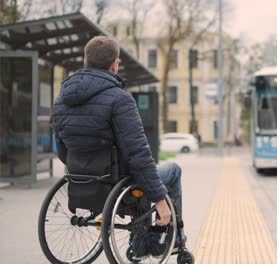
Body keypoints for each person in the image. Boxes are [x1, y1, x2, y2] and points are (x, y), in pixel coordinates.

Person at [52, 36, 186, 245]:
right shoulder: (120, 99)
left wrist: (84, 169)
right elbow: (138, 154)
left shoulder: (61, 99)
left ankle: (142, 242)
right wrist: (160, 200)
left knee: (138, 172)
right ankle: (173, 239)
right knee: (171, 170)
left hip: (80, 181)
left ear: (85, 60)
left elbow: (62, 149)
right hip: (115, 181)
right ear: (115, 64)